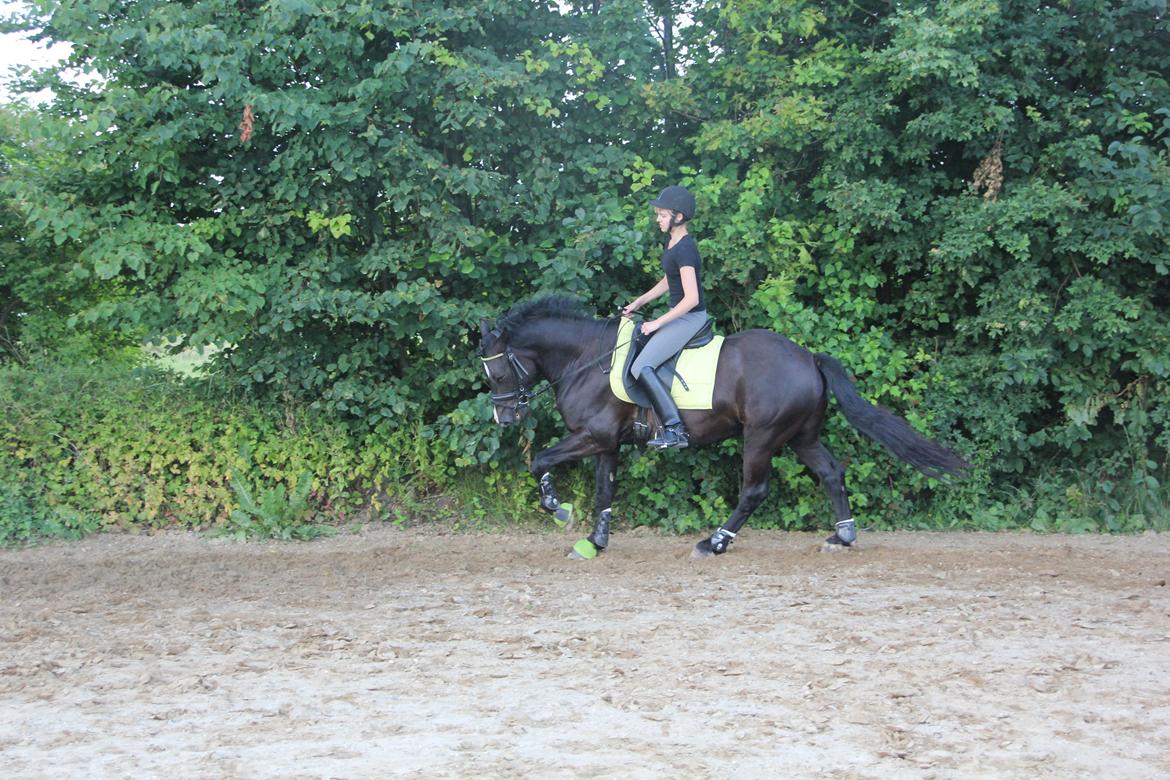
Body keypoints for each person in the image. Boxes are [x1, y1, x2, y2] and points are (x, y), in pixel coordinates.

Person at [622, 185, 707, 449]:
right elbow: (670, 281)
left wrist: (659, 322)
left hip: (691, 317)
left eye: (661, 214)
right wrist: (639, 301)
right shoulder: (670, 243)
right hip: (679, 315)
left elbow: (691, 298)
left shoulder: (685, 249)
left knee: (640, 367)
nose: (657, 219)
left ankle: (675, 429)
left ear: (678, 217)